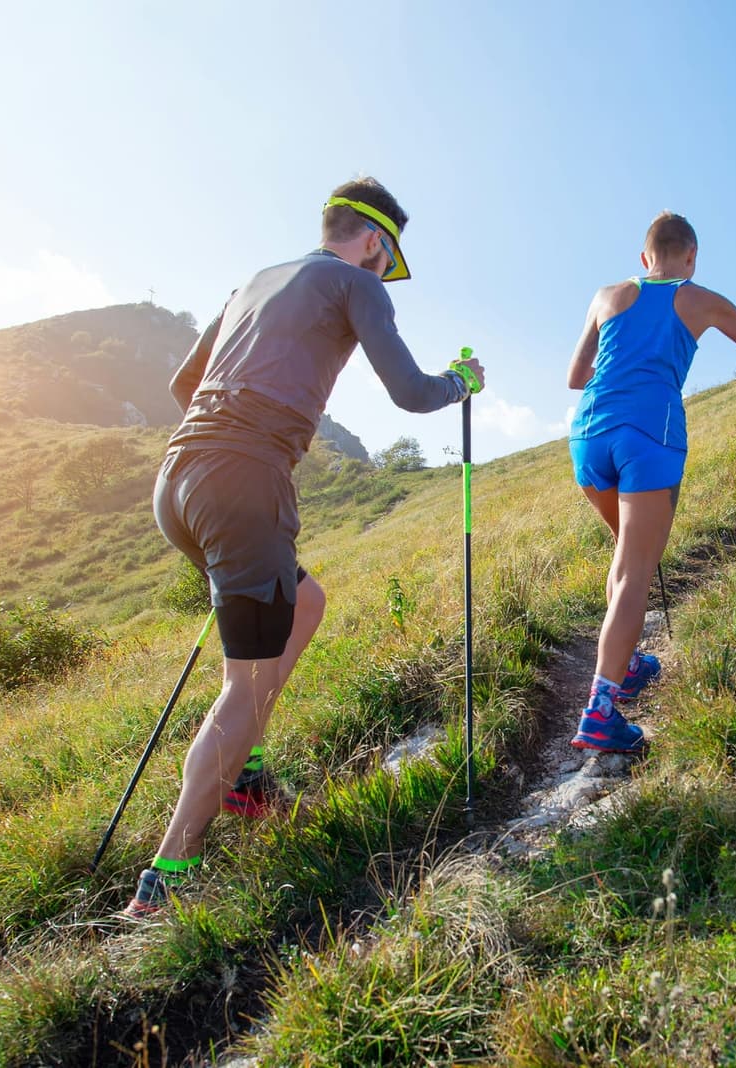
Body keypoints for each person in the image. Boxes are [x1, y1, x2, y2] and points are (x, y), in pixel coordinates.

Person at [126, 177, 484, 918]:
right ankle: (164, 885)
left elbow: (181, 383)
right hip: (243, 483)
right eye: (387, 261)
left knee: (305, 603)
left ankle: (247, 779)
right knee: (245, 690)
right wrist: (461, 381)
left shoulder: (254, 282)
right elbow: (413, 393)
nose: (384, 274)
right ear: (376, 244)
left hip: (178, 479)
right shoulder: (358, 282)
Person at [565, 211, 736, 752]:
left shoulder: (607, 295)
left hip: (589, 434)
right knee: (636, 574)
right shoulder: (698, 298)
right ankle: (600, 712)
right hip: (651, 435)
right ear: (691, 257)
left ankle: (630, 662)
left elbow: (575, 377)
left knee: (625, 555)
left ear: (645, 259)